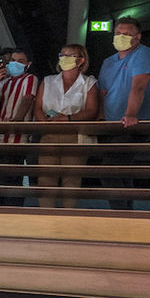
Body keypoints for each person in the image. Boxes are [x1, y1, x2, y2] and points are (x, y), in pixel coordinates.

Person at [95, 18, 150, 210]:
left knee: (108, 170)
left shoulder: (143, 54)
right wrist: (100, 118)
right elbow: (102, 93)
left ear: (138, 37)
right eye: (118, 33)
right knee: (120, 172)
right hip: (110, 124)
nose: (121, 37)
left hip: (132, 124)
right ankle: (127, 214)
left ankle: (120, 215)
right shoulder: (108, 62)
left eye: (126, 33)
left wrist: (131, 114)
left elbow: (139, 86)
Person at [34, 44, 100, 208]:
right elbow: (37, 107)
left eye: (70, 55)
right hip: (49, 134)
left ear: (80, 60)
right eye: (62, 55)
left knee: (72, 181)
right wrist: (45, 125)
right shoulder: (48, 81)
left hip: (75, 136)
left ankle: (68, 218)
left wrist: (68, 118)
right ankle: (46, 217)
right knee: (45, 179)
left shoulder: (88, 82)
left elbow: (91, 111)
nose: (64, 58)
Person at [0, 47, 40, 206]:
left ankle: (11, 211)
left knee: (12, 177)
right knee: (1, 177)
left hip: (18, 138)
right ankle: (1, 210)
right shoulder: (4, 82)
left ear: (28, 64)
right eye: (13, 60)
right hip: (0, 137)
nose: (15, 64)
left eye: (21, 61)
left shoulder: (30, 78)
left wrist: (16, 122)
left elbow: (27, 99)